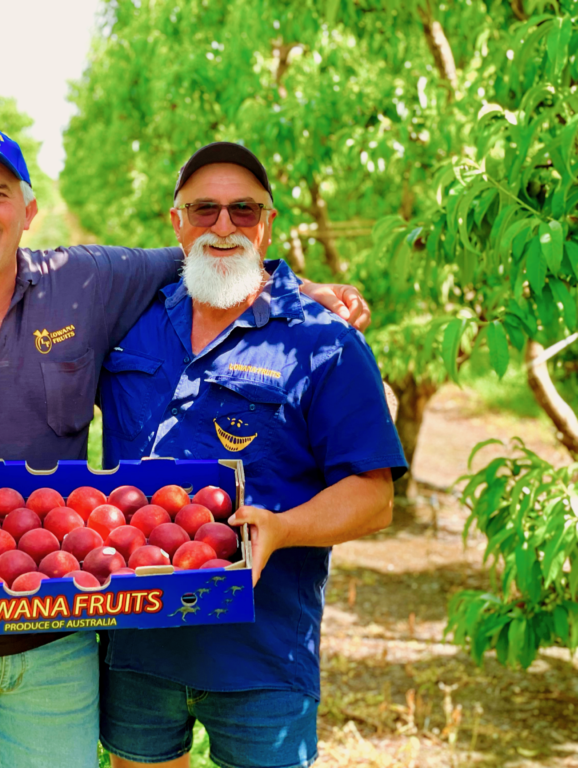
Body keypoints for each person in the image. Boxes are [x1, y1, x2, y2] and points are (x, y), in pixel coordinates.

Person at [0, 123, 371, 768]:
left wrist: (299, 292)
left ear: (29, 211)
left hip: (60, 625)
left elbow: (214, 252)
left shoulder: (81, 282)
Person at [93, 143, 407, 768]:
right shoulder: (130, 319)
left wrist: (285, 527)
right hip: (135, 641)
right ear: (175, 222)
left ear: (268, 223)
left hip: (261, 651)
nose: (224, 225)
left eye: (244, 210)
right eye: (204, 209)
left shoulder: (321, 340)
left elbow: (373, 497)